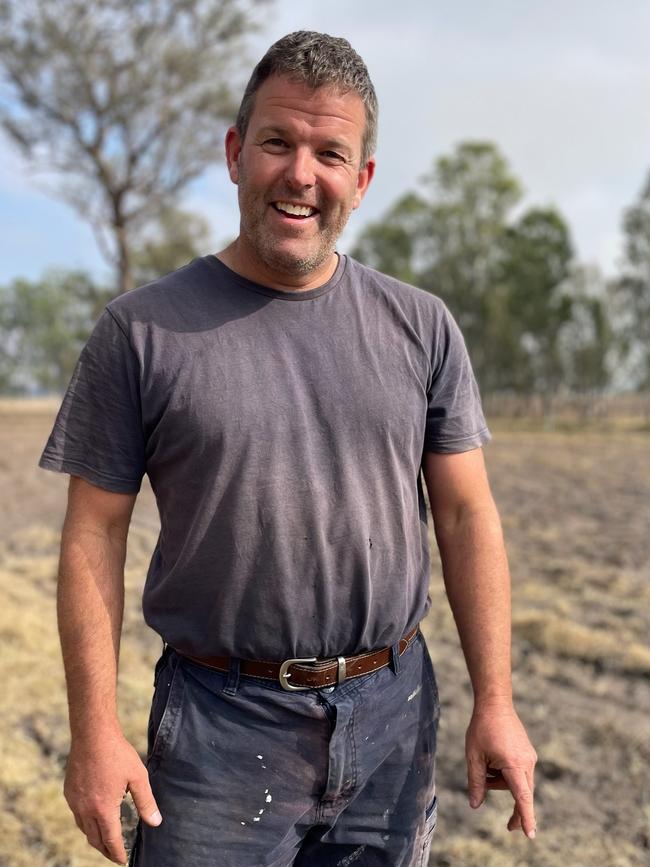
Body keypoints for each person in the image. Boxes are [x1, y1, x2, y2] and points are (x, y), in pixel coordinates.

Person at [39, 30, 537, 867]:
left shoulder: (420, 326)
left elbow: (464, 511)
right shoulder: (142, 332)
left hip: (394, 716)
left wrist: (499, 699)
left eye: (330, 152)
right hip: (216, 729)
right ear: (236, 154)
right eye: (278, 141)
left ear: (362, 180)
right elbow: (93, 532)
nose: (302, 173)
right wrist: (94, 731)